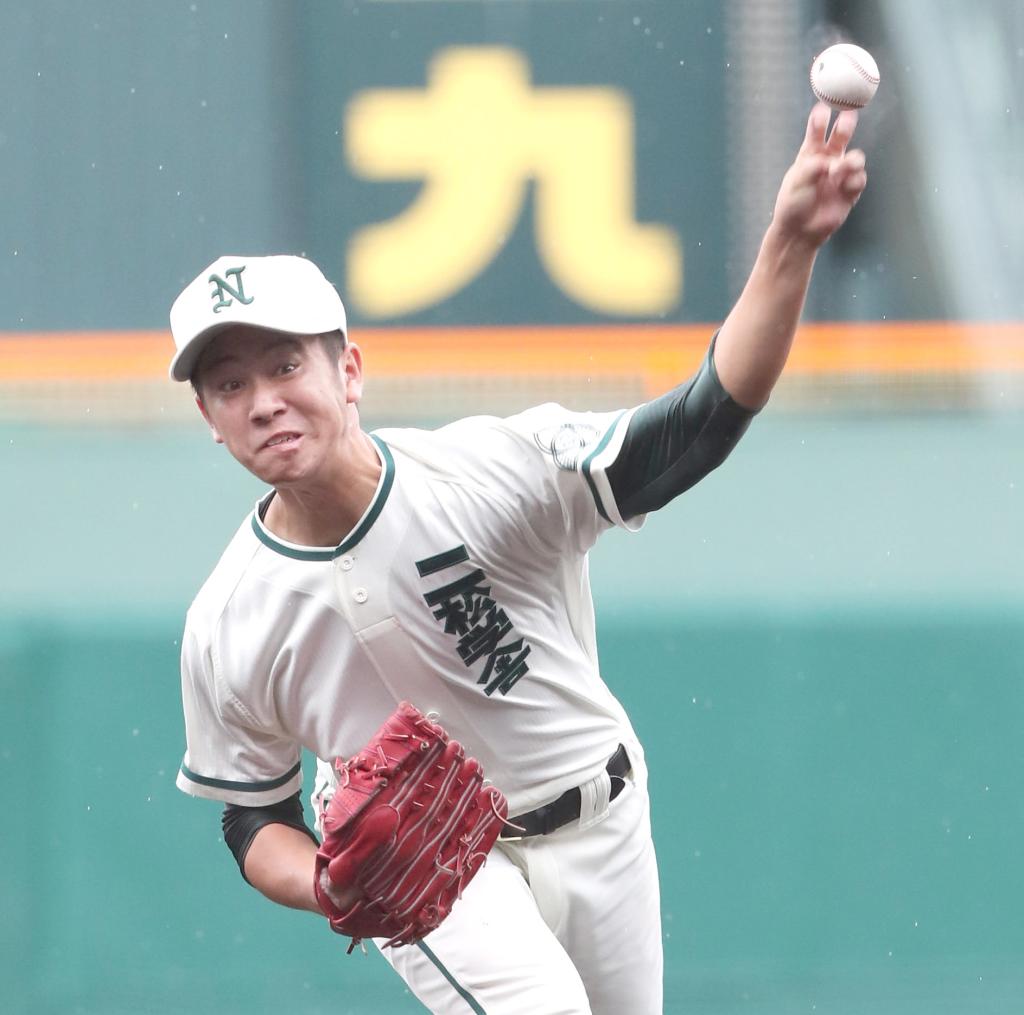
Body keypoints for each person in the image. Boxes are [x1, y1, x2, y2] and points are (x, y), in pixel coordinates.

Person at [170, 103, 867, 1014]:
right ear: (212, 423)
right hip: (444, 875)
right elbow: (251, 813)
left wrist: (789, 244)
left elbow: (694, 428)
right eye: (230, 385)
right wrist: (328, 883)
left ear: (348, 372)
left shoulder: (489, 471)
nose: (262, 400)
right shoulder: (230, 618)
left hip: (602, 811)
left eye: (285, 364)